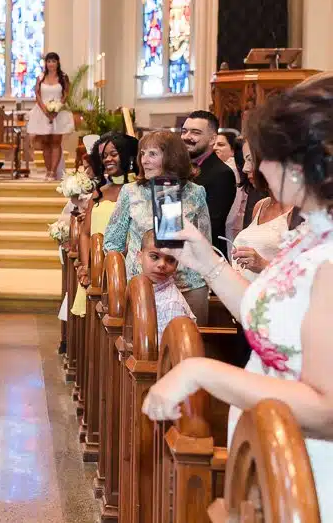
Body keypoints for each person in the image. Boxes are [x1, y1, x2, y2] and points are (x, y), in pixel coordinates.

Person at [142, 77, 333, 519]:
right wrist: (205, 261)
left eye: (262, 157)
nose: (255, 169)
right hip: (271, 448)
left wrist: (200, 370)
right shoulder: (311, 236)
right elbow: (268, 316)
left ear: (297, 166)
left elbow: (326, 408)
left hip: (310, 469)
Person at [103, 130, 212, 321]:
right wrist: (121, 281)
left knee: (187, 346)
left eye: (152, 154)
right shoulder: (131, 191)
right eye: (142, 154)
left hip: (187, 285)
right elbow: (112, 243)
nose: (144, 160)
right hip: (141, 288)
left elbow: (204, 243)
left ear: (172, 157)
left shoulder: (195, 192)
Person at [73, 132, 139, 315]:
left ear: (128, 155)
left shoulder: (139, 192)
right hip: (95, 271)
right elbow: (86, 233)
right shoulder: (99, 193)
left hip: (125, 270)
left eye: (113, 154)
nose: (107, 159)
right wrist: (87, 268)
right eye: (104, 156)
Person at [230, 140, 293, 282]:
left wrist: (263, 265)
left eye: (251, 160)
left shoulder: (297, 212)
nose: (245, 169)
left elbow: (307, 274)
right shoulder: (260, 206)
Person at [181, 110, 237, 251]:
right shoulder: (178, 168)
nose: (187, 137)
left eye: (195, 133)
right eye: (184, 131)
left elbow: (210, 224)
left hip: (205, 256)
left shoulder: (222, 174)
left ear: (212, 139)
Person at [138, 230, 196, 339]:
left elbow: (168, 353)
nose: (162, 265)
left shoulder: (172, 304)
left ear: (176, 264)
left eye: (170, 260)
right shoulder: (141, 288)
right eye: (155, 257)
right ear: (139, 257)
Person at [26, 52, 74, 180]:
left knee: (56, 142)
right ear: (45, 63)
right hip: (42, 112)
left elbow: (66, 94)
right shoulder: (41, 77)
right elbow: (37, 94)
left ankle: (53, 172)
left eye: (54, 61)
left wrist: (57, 108)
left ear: (58, 63)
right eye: (49, 61)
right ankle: (48, 171)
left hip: (59, 113)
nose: (51, 64)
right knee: (45, 143)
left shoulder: (63, 77)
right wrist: (45, 110)